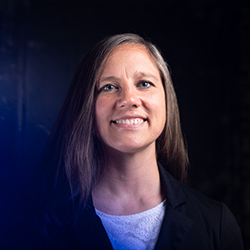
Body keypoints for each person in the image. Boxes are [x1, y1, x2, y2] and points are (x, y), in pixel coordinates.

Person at [34, 33, 244, 250]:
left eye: (144, 83)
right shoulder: (41, 222)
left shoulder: (216, 224)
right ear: (86, 106)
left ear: (166, 101)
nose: (129, 100)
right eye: (109, 87)